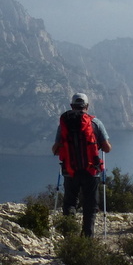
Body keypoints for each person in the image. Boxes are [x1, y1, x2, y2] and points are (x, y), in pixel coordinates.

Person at [52, 93, 112, 236]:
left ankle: (69, 235)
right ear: (87, 106)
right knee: (90, 204)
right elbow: (107, 148)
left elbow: (55, 150)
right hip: (91, 171)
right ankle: (87, 238)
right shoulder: (96, 123)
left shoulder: (64, 124)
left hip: (70, 170)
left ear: (71, 106)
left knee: (70, 202)